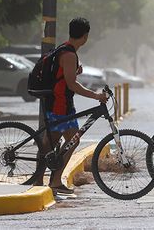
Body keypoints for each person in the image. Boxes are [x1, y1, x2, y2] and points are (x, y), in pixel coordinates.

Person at [44, 17, 107, 195]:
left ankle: (41, 177)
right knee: (73, 140)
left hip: (58, 103)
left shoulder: (64, 49)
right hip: (60, 105)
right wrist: (95, 95)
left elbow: (64, 77)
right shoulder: (70, 54)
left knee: (50, 144)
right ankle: (55, 181)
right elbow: (71, 84)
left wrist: (73, 72)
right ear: (85, 36)